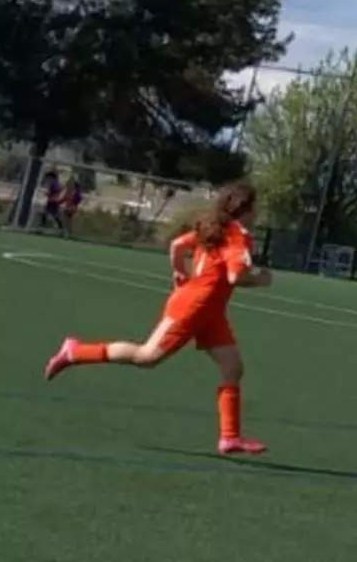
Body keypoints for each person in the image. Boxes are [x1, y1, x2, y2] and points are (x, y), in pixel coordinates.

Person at [43, 182, 272, 454]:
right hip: (194, 308)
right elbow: (236, 275)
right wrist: (262, 278)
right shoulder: (238, 235)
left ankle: (230, 437)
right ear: (246, 208)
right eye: (255, 206)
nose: (257, 212)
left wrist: (180, 273)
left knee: (232, 368)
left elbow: (177, 246)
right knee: (146, 357)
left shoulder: (215, 227)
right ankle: (75, 351)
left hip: (210, 311)